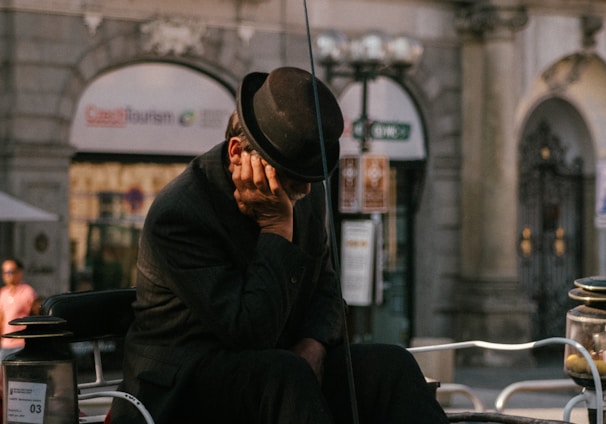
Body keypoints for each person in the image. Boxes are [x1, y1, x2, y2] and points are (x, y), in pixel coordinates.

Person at [111, 66, 448, 423]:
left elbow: (327, 288)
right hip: (184, 381)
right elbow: (249, 333)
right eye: (291, 177)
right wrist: (275, 229)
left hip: (280, 365)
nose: (303, 191)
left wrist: (315, 342)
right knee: (283, 374)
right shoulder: (181, 213)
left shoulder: (307, 192)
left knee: (391, 364)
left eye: (310, 179)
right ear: (238, 152)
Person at [0, 258, 37, 359]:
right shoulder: (2, 293)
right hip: (4, 345)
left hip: (21, 344)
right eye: (4, 272)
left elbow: (34, 316)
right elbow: (1, 318)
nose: (7, 275)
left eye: (11, 272)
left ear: (20, 272)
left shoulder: (28, 292)